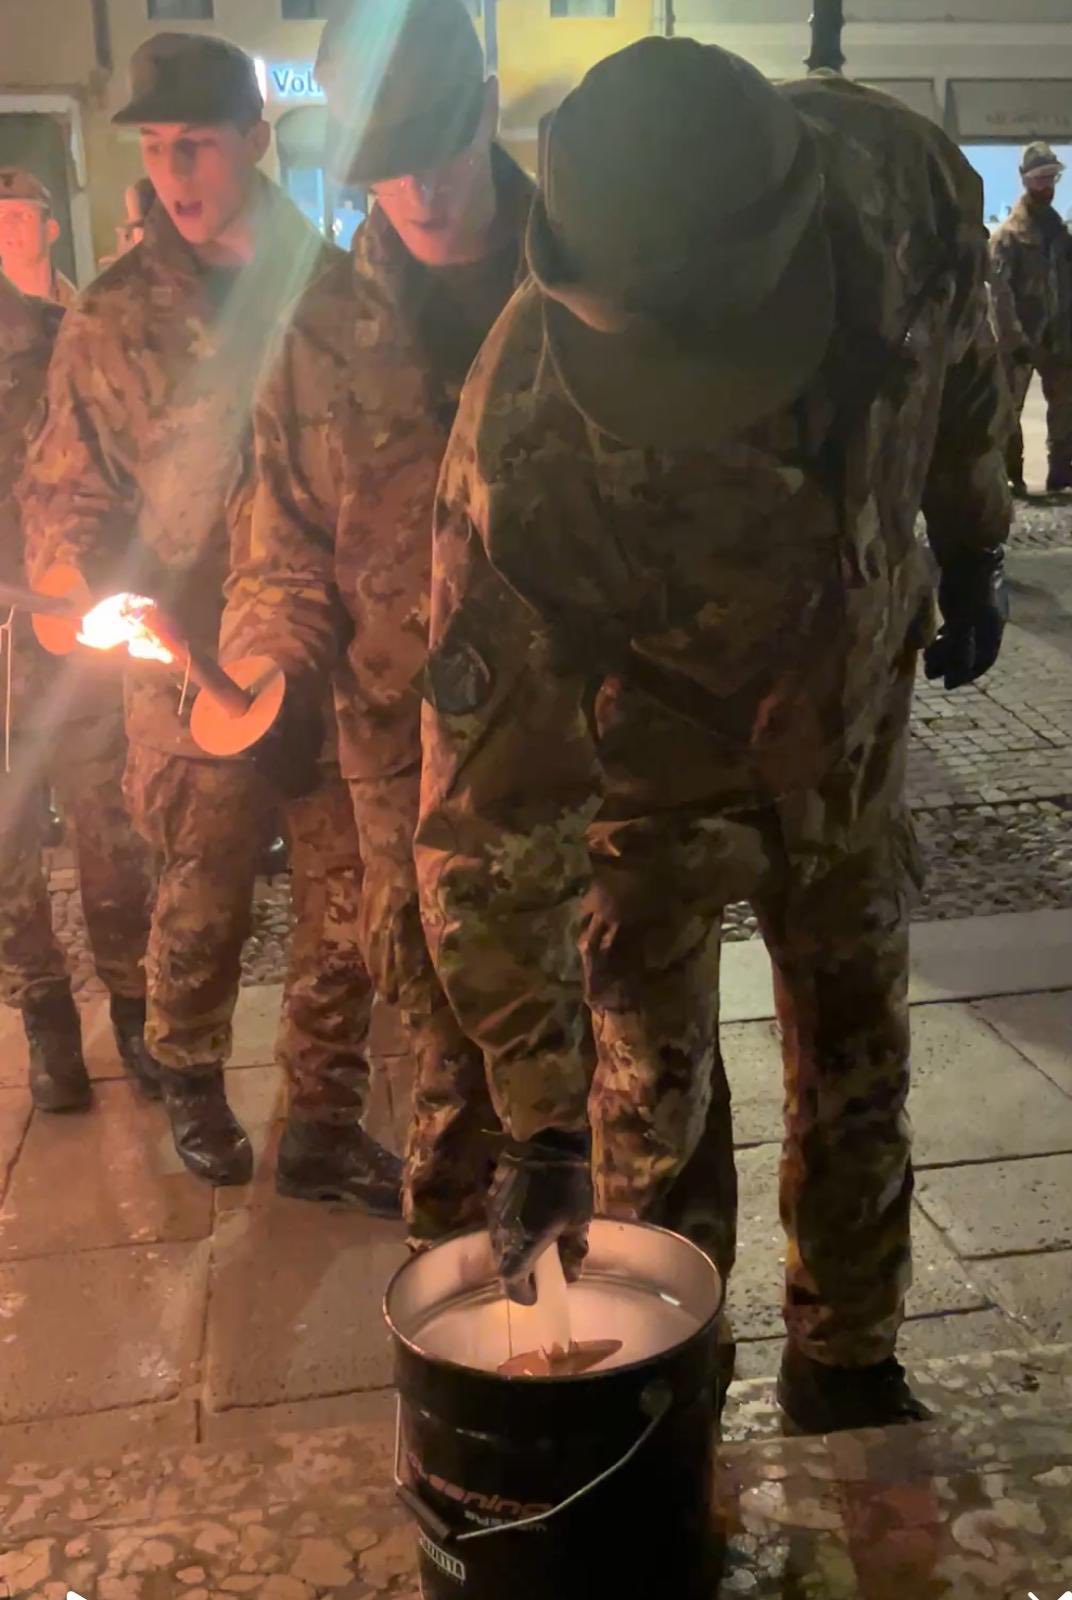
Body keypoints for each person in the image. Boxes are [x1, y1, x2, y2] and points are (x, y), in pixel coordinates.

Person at [415, 42, 1012, 1433]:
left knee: (860, 1063)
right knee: (649, 1113)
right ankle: (671, 1389)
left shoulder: (902, 186)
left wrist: (974, 532)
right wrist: (539, 1113)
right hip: (649, 784)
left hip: (845, 734)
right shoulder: (522, 445)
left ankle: (848, 1364)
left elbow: (961, 354)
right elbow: (488, 812)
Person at [21, 33, 400, 1212]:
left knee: (348, 901)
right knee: (201, 879)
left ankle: (324, 1118)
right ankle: (188, 1069)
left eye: (195, 144)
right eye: (154, 148)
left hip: (331, 658)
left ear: (253, 138)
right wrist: (80, 582)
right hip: (187, 655)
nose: (173, 173)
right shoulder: (112, 319)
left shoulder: (337, 293)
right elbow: (64, 487)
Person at [221, 0, 533, 1242]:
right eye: (385, 161)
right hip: (401, 764)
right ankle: (462, 1302)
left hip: (582, 760)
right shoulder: (317, 334)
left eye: (439, 144)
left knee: (619, 1085)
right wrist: (272, 668)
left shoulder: (582, 296)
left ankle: (639, 1318)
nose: (420, 188)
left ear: (487, 110)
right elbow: (282, 544)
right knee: (447, 1057)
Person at [0, 271, 153, 1109]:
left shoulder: (64, 337)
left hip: (72, 636)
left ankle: (135, 1008)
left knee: (112, 831)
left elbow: (118, 473)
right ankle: (46, 1019)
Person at [989, 141, 1072, 494]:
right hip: (1022, 340)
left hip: (1060, 337)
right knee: (1008, 410)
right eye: (1040, 178)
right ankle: (1012, 475)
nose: (1047, 186)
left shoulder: (1061, 235)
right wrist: (1015, 341)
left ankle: (1061, 473)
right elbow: (998, 294)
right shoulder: (1008, 236)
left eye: (1051, 178)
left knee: (1065, 408)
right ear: (1025, 180)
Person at [0, 169, 77, 305]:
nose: (9, 225)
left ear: (51, 230)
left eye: (24, 216)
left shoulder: (81, 307)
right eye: (1, 216)